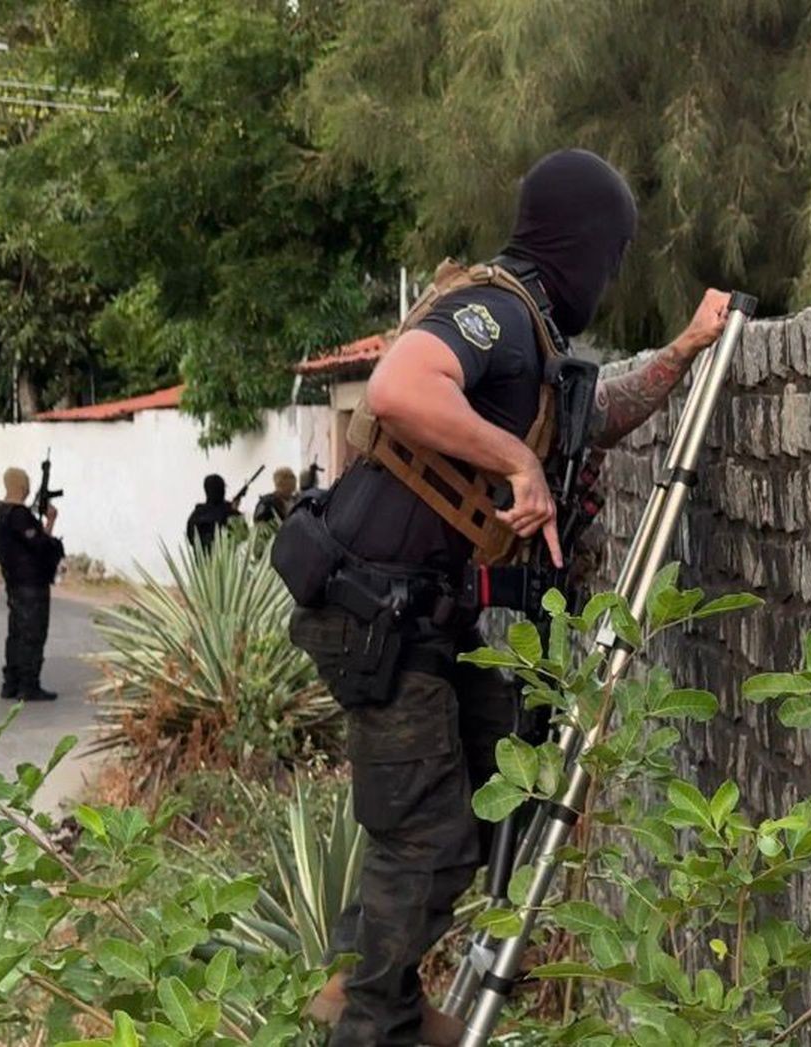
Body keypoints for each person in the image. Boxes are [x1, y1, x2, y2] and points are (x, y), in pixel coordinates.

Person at [288, 148, 730, 1046]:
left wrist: (684, 351)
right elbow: (400, 384)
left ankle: (359, 982)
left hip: (419, 615)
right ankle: (374, 1023)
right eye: (612, 253)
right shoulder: (492, 309)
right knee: (431, 837)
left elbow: (586, 418)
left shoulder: (534, 334)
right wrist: (518, 463)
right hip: (376, 613)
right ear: (580, 241)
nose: (610, 275)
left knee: (508, 775)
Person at [0, 467, 64, 702]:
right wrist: (50, 521)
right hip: (31, 584)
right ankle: (29, 685)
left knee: (16, 633)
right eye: (27, 485)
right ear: (22, 487)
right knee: (32, 633)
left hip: (13, 581)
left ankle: (11, 683)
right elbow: (41, 546)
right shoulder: (19, 515)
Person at [185, 474, 241, 551]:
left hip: (202, 562)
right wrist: (234, 511)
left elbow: (191, 539)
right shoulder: (230, 513)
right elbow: (244, 537)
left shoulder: (196, 515)